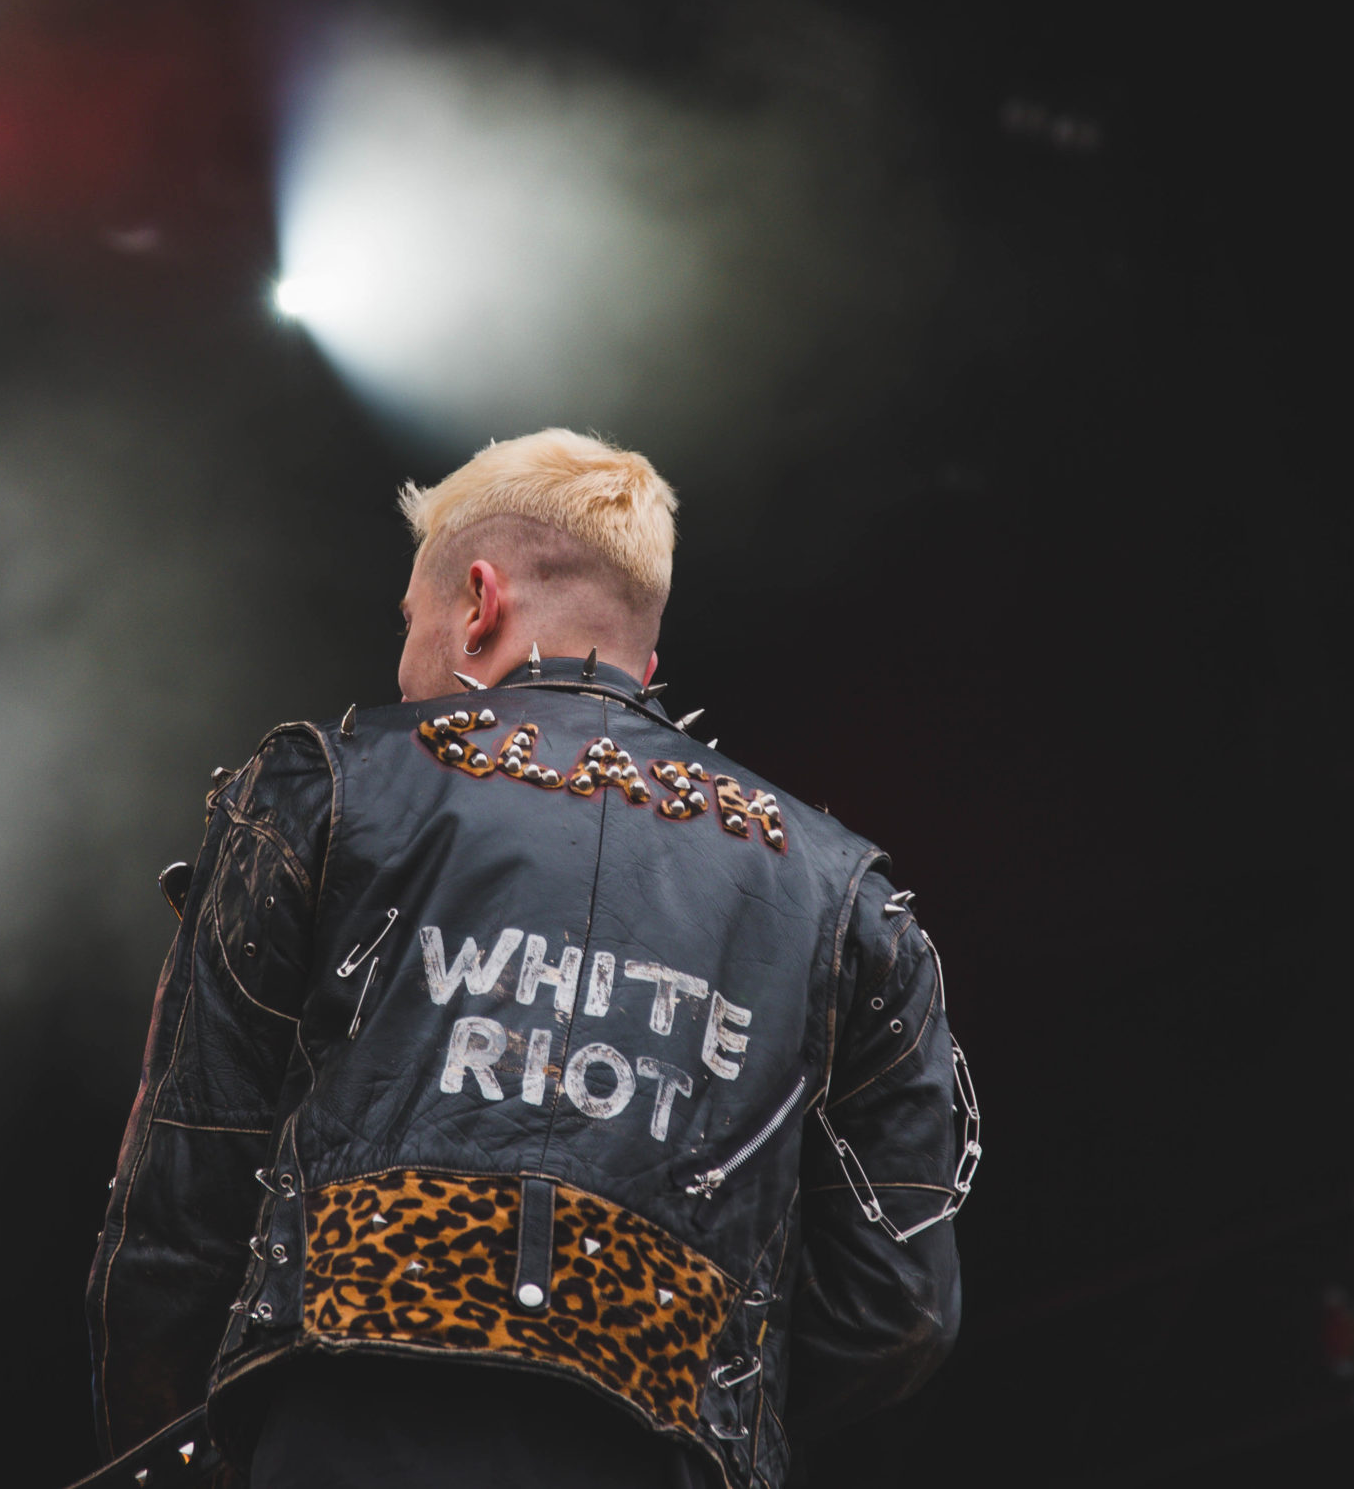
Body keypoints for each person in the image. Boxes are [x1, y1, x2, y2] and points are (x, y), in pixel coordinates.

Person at [83, 429, 976, 1488]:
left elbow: (180, 1209)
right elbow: (902, 1305)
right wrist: (696, 1380)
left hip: (345, 1444)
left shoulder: (321, 791)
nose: (404, 662)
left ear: (478, 600)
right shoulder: (847, 898)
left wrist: (180, 1450)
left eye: (409, 620)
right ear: (645, 668)